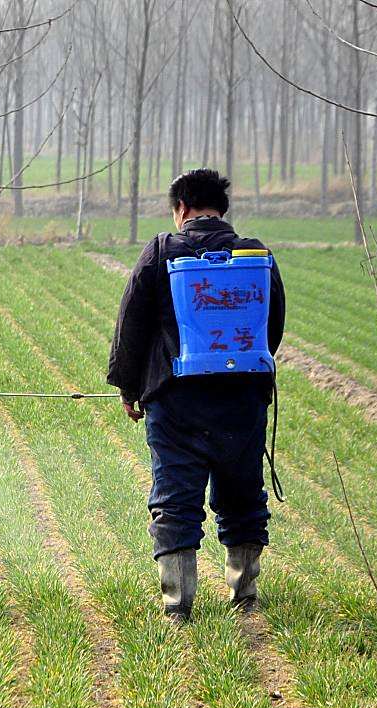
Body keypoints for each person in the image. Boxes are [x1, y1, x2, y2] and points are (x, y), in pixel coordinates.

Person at [106, 168, 285, 621]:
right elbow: (272, 324)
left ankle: (177, 603)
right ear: (222, 210)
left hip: (174, 401)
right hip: (242, 401)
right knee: (243, 493)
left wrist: (130, 387)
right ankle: (244, 596)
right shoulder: (256, 254)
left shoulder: (161, 251)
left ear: (181, 208)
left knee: (175, 496)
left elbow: (131, 326)